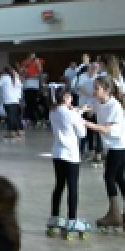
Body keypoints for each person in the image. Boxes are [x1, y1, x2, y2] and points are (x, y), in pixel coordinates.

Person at [83, 76, 125, 232]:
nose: (94, 91)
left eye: (97, 88)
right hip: (118, 144)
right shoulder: (99, 101)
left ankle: (114, 214)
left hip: (120, 144)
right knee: (119, 177)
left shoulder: (114, 106)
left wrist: (84, 123)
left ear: (106, 90)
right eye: (94, 88)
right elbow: (90, 108)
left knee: (109, 177)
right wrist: (76, 110)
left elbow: (106, 129)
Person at [47, 86, 89, 238]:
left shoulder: (53, 112)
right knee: (73, 188)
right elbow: (82, 133)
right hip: (71, 155)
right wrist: (79, 115)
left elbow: (68, 114)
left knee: (59, 186)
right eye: (70, 96)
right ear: (65, 97)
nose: (72, 99)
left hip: (57, 153)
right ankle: (72, 221)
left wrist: (79, 111)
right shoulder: (70, 114)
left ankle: (54, 219)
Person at [0, 65, 23, 140]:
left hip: (8, 99)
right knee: (16, 116)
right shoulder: (16, 78)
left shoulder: (4, 77)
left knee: (10, 116)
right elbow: (20, 87)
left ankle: (11, 132)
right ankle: (19, 131)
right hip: (16, 99)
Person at [20, 53, 43, 128]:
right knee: (28, 104)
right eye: (31, 57)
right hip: (26, 86)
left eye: (34, 57)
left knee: (33, 103)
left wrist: (31, 75)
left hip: (34, 86)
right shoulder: (25, 64)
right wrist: (24, 72)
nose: (32, 58)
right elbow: (21, 73)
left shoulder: (37, 63)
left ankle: (38, 119)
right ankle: (31, 120)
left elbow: (39, 73)